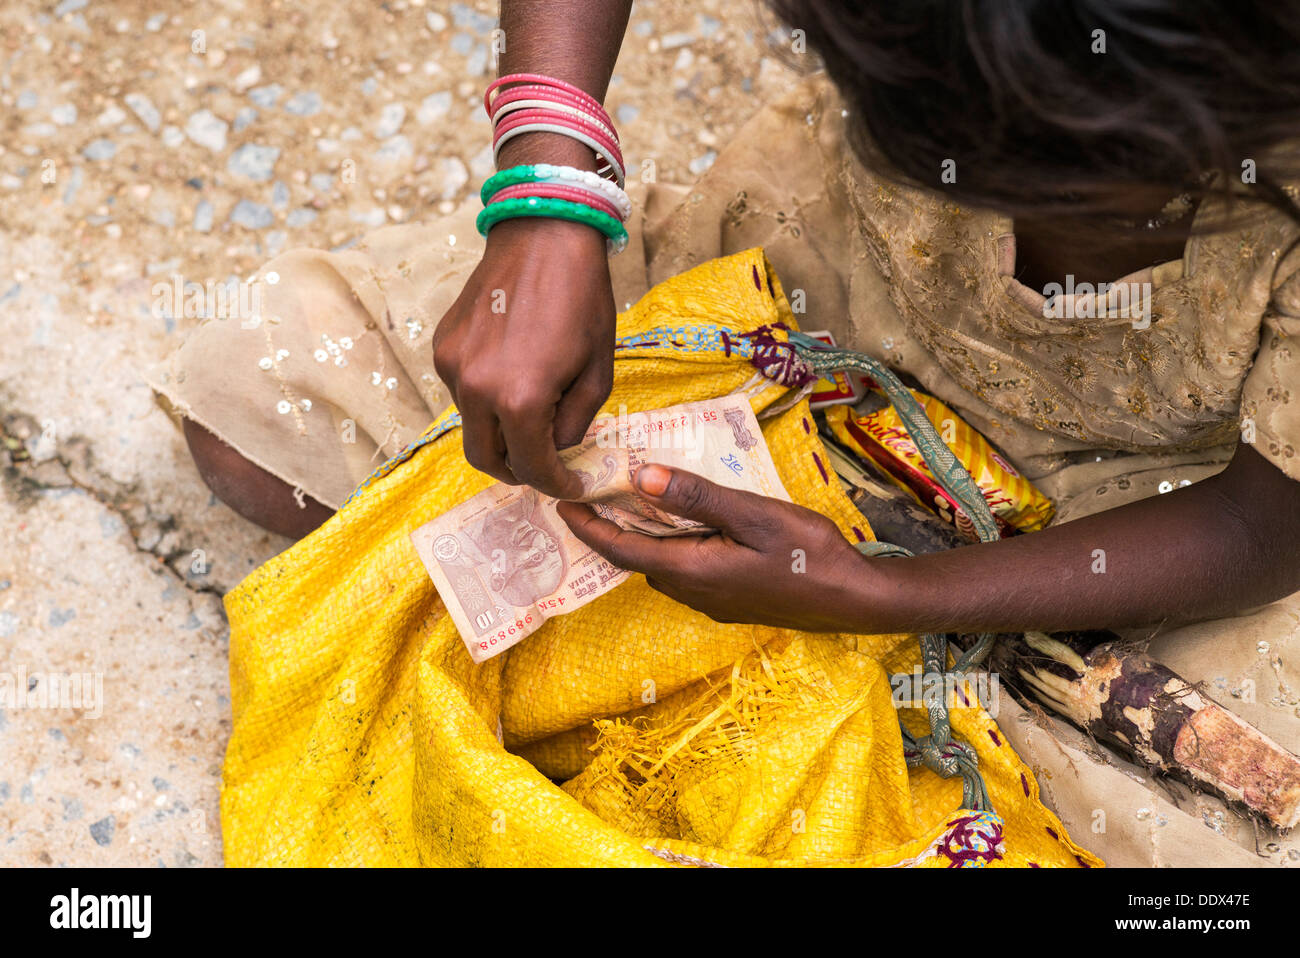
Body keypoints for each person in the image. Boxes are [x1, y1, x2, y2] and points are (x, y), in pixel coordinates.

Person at [149, 1, 1300, 862]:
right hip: (807, 291)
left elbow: (1266, 522)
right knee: (259, 396)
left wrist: (896, 596)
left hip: (1136, 504)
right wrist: (549, 190)